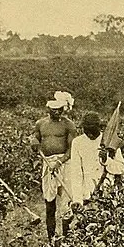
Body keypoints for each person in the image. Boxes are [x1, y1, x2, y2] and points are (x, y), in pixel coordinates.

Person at [30, 93, 78, 238]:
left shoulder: (69, 125)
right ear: (48, 109)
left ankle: (67, 237)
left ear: (63, 109)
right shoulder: (41, 124)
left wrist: (60, 161)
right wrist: (33, 142)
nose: (56, 112)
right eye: (53, 109)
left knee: (66, 202)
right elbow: (34, 138)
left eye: (59, 109)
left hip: (64, 164)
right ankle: (51, 237)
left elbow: (72, 149)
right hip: (47, 163)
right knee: (49, 201)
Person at [67, 111, 124, 207]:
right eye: (86, 130)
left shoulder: (110, 141)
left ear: (99, 127)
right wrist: (77, 199)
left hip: (108, 193)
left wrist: (106, 160)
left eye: (92, 130)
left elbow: (120, 168)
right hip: (87, 194)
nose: (89, 134)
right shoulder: (78, 142)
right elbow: (76, 173)